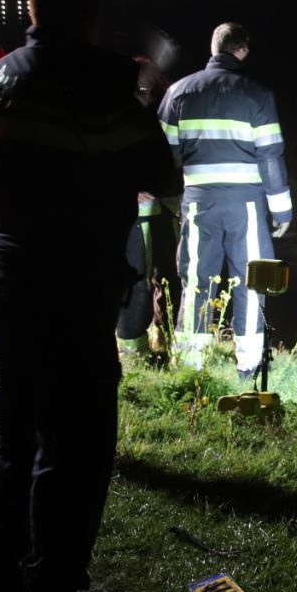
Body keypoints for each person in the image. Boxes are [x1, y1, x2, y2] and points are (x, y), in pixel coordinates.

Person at [0, 0, 174, 592]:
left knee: (16, 436)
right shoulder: (102, 83)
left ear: (30, 10)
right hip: (74, 283)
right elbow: (161, 173)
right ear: (90, 14)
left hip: (3, 280)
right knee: (76, 443)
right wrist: (139, 101)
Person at [157, 22, 292, 381]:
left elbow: (161, 154)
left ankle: (190, 364)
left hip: (198, 201)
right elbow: (270, 157)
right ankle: (249, 365)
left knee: (197, 278)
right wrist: (282, 211)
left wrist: (172, 194)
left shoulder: (178, 92)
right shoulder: (257, 94)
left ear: (214, 48)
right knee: (252, 281)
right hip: (246, 204)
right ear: (242, 50)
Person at [115, 55, 181, 363]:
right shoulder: (125, 115)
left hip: (160, 212)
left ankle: (158, 339)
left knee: (163, 278)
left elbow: (166, 164)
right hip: (137, 216)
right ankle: (133, 349)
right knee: (138, 280)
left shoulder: (156, 112)